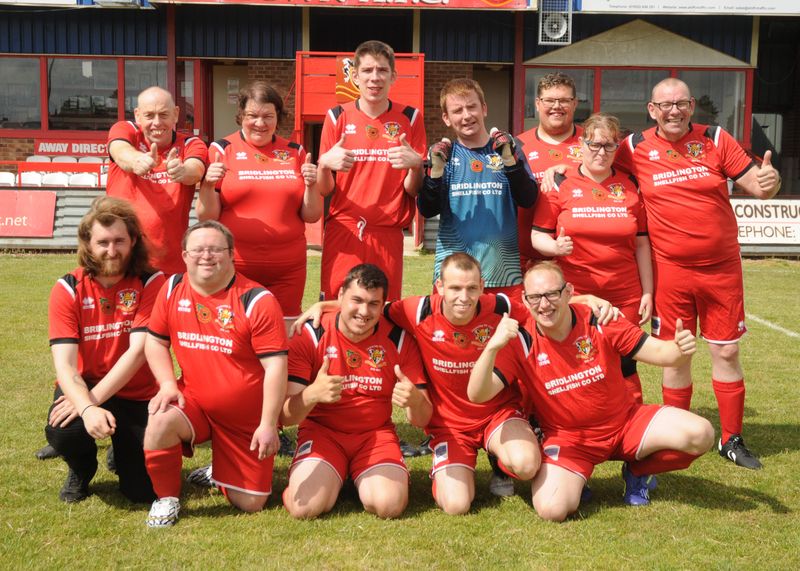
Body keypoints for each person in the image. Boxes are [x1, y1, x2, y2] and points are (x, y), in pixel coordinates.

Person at [292, 253, 619, 513]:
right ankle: (443, 464)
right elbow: (369, 306)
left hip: (497, 415)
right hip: (449, 425)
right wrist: (327, 306)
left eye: (471, 289)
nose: (463, 297)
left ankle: (504, 461)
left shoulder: (501, 307)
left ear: (482, 288)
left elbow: (544, 306)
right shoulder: (417, 311)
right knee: (456, 505)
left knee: (526, 463)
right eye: (454, 289)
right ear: (438, 288)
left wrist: (586, 300)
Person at [613, 78, 782, 469]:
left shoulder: (717, 138)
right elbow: (599, 167)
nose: (674, 111)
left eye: (681, 103)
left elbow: (757, 186)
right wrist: (559, 173)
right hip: (670, 271)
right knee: (676, 356)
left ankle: (731, 438)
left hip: (722, 270)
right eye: (665, 105)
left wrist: (769, 183)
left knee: (726, 350)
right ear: (651, 110)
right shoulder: (634, 148)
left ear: (691, 106)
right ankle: (679, 431)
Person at [468, 262, 715, 520]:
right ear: (525, 300)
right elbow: (477, 394)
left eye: (552, 294)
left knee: (701, 434)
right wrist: (492, 348)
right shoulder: (521, 340)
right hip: (569, 440)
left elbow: (660, 353)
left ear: (568, 292)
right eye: (535, 297)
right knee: (552, 509)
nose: (544, 304)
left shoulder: (599, 319)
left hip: (625, 424)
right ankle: (578, 476)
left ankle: (638, 470)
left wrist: (678, 349)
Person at [142, 220, 288, 527]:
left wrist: (267, 424)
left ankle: (221, 469)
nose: (206, 256)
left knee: (251, 504)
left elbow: (275, 366)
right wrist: (168, 384)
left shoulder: (256, 300)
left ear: (232, 254)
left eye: (215, 249)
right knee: (160, 418)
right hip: (195, 401)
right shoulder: (171, 288)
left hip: (245, 419)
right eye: (197, 249)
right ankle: (166, 498)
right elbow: (155, 341)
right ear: (184, 255)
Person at [282, 264, 431, 519]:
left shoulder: (399, 338)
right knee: (304, 508)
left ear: (383, 306)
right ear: (339, 297)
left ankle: (348, 476)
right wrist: (312, 395)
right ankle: (329, 474)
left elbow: (423, 419)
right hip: (322, 434)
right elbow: (284, 418)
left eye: (374, 304)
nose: (364, 311)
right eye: (357, 300)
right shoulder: (310, 334)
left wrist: (415, 400)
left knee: (389, 506)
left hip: (375, 436)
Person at [45, 196, 164, 504]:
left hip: (135, 390)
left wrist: (93, 403)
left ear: (134, 240)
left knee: (141, 493)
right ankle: (82, 469)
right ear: (87, 242)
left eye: (120, 241)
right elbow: (66, 367)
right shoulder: (68, 287)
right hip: (85, 386)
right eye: (103, 242)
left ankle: (123, 449)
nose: (112, 251)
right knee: (65, 431)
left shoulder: (151, 281)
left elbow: (138, 352)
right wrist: (85, 407)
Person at [531, 112, 652, 403]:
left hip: (624, 293)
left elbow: (642, 244)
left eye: (609, 145)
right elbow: (537, 236)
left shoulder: (630, 184)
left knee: (624, 361)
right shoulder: (560, 183)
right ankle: (584, 418)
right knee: (579, 360)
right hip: (576, 294)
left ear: (617, 148)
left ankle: (630, 420)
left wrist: (648, 291)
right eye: (594, 144)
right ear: (581, 146)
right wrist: (554, 248)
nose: (601, 152)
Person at [196, 81, 322, 326]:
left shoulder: (295, 152)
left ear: (278, 117)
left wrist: (311, 185)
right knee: (233, 329)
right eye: (252, 115)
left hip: (288, 267)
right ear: (241, 115)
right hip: (236, 265)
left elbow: (312, 215)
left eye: (268, 116)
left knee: (283, 335)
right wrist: (208, 186)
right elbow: (206, 217)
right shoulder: (222, 150)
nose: (260, 123)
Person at [316, 40, 426, 302]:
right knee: (335, 304)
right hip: (344, 229)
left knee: (384, 308)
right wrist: (323, 165)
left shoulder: (411, 118)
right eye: (366, 71)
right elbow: (324, 189)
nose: (374, 78)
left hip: (387, 231)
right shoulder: (336, 117)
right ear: (354, 76)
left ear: (393, 76)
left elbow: (413, 189)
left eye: (382, 70)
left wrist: (416, 166)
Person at [418, 79, 538, 298]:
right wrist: (435, 173)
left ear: (484, 108)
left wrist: (510, 161)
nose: (466, 116)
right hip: (453, 280)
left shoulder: (507, 149)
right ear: (446, 118)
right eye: (457, 110)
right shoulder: (443, 155)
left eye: (472, 106)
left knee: (506, 331)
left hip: (503, 274)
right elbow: (427, 210)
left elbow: (528, 199)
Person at [107, 86, 208, 275]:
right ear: (137, 115)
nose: (156, 122)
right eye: (149, 115)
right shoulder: (125, 130)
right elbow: (120, 151)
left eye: (163, 114)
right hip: (121, 261)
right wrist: (136, 160)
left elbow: (196, 169)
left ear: (176, 114)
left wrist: (182, 170)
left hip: (170, 266)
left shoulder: (191, 144)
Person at [516, 72, 585, 272]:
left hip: (578, 264)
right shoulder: (517, 147)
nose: (556, 106)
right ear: (537, 103)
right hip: (526, 261)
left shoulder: (591, 144)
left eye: (564, 100)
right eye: (549, 100)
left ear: (575, 103)